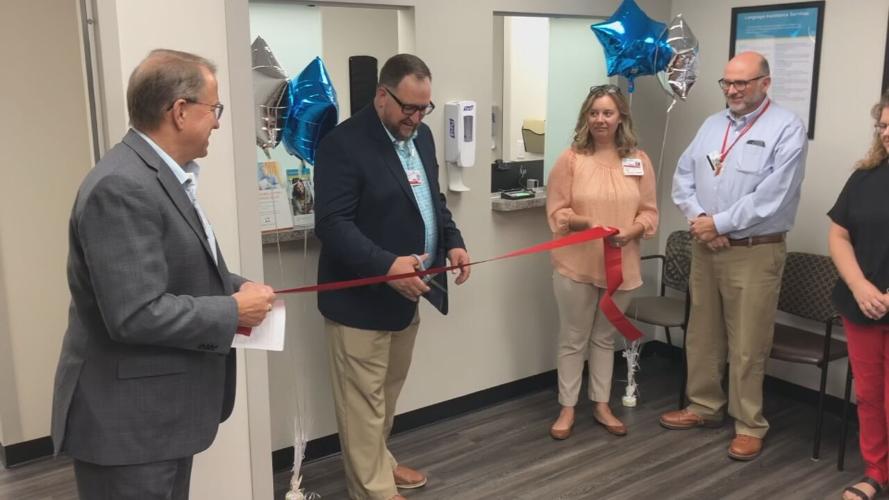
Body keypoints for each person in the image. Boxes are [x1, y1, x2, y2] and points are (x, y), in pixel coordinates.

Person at [51, 49, 276, 500]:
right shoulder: (122, 185)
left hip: (158, 418)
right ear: (179, 111)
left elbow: (171, 270)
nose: (217, 123)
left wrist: (237, 288)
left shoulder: (162, 176)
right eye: (214, 109)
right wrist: (232, 310)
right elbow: (135, 313)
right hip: (128, 427)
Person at [313, 54, 471, 500]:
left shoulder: (422, 138)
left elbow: (433, 202)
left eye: (425, 109)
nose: (417, 118)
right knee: (362, 403)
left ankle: (379, 461)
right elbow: (332, 225)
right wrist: (385, 266)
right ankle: (374, 490)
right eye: (409, 108)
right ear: (382, 95)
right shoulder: (342, 144)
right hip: (359, 302)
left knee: (386, 394)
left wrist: (453, 241)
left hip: (408, 296)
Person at [661, 51, 808, 461]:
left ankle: (749, 424)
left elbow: (773, 195)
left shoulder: (786, 128)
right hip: (706, 246)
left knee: (748, 342)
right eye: (727, 82)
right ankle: (704, 406)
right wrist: (701, 221)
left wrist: (720, 224)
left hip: (754, 251)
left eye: (741, 82)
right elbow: (683, 176)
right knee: (703, 333)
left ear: (765, 83)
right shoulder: (712, 125)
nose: (732, 90)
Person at [545, 84, 658, 440]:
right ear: (586, 117)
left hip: (620, 267)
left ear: (620, 117)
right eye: (594, 113)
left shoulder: (639, 161)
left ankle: (601, 403)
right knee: (573, 337)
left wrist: (631, 230)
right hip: (576, 265)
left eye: (607, 113)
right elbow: (557, 212)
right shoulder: (571, 159)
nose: (600, 119)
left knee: (605, 338)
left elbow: (649, 213)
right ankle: (567, 407)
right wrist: (585, 223)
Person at [829, 90, 889, 500]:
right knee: (869, 396)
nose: (886, 133)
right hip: (863, 306)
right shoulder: (865, 176)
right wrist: (859, 285)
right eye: (882, 125)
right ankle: (876, 472)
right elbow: (839, 235)